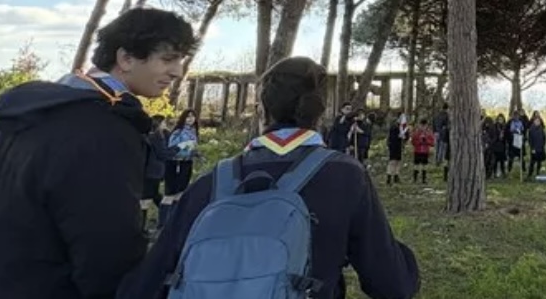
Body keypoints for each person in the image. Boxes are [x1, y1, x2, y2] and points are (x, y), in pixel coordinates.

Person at [118, 56, 420, 299]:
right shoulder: (344, 176)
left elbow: (147, 282)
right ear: (320, 112)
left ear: (262, 110)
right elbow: (391, 284)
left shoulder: (211, 182)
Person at [0, 8, 197, 299]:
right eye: (168, 59)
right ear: (126, 58)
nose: (177, 71)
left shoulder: (28, 114)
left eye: (180, 60)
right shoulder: (101, 129)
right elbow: (107, 249)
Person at [162, 108, 200, 225]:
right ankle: (163, 223)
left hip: (187, 163)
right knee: (170, 193)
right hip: (175, 163)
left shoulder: (194, 132)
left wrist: (196, 154)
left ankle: (174, 221)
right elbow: (171, 149)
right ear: (183, 118)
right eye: (188, 117)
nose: (190, 119)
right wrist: (183, 146)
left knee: (181, 192)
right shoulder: (178, 131)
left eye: (192, 117)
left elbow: (191, 148)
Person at [143, 114, 179, 231]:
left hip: (150, 171)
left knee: (152, 196)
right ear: (159, 124)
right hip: (153, 171)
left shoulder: (152, 135)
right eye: (164, 123)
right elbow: (162, 153)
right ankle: (170, 215)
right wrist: (178, 149)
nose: (165, 125)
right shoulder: (156, 137)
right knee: (147, 199)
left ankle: (169, 216)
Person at [410, 118, 435, 184]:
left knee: (424, 165)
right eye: (422, 125)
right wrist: (419, 142)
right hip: (417, 151)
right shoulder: (416, 132)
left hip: (425, 151)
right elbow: (413, 141)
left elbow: (432, 143)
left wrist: (426, 141)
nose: (423, 127)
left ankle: (424, 179)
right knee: (416, 165)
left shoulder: (429, 133)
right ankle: (415, 179)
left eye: (425, 125)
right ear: (419, 125)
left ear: (427, 125)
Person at [507, 110, 526, 174]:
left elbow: (523, 130)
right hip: (512, 142)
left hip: (519, 140)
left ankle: (523, 170)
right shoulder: (510, 122)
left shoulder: (521, 122)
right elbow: (509, 131)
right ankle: (509, 170)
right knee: (511, 157)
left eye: (517, 116)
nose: (516, 117)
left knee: (521, 157)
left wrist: (521, 134)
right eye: (515, 116)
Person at [386, 118, 404, 185]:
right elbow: (392, 138)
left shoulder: (400, 128)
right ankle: (389, 177)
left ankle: (396, 175)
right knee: (392, 162)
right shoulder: (393, 129)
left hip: (398, 146)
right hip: (393, 146)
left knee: (398, 161)